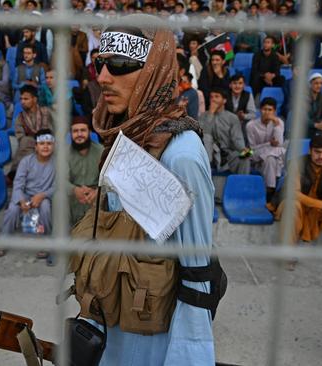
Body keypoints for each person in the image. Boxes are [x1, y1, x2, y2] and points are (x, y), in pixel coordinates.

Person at [90, 17, 215, 365]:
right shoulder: (127, 135)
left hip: (153, 344)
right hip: (114, 324)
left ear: (153, 71)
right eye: (100, 63)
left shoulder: (181, 155)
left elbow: (197, 276)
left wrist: (190, 357)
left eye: (119, 65)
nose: (103, 78)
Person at [272, 134, 322, 272]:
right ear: (310, 151)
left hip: (314, 209)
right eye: (317, 152)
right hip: (293, 204)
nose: (321, 156)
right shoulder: (297, 164)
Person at [1, 128, 55, 259]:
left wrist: (42, 195)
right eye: (42, 144)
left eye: (49, 143)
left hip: (45, 196)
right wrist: (21, 201)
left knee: (46, 208)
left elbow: (58, 186)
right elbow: (18, 183)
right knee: (13, 209)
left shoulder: (57, 163)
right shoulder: (26, 161)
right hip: (25, 195)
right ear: (36, 147)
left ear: (53, 146)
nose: (45, 147)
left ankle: (45, 243)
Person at [199, 87, 250, 175]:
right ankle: (208, 170)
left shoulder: (232, 118)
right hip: (208, 156)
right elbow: (203, 135)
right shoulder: (203, 116)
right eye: (211, 97)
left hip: (227, 155)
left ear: (224, 100)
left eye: (216, 96)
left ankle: (242, 186)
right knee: (207, 137)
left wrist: (244, 150)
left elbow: (237, 139)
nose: (213, 99)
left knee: (245, 157)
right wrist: (210, 114)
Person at [10, 85, 53, 177]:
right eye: (21, 99)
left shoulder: (47, 112)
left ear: (35, 99)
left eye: (26, 99)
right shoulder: (20, 118)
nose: (22, 102)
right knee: (25, 142)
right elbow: (20, 137)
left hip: (49, 144)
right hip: (30, 148)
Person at [246, 97, 286, 196]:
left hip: (272, 157)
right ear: (260, 110)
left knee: (271, 158)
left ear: (275, 111)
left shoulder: (279, 122)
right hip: (255, 155)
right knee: (276, 152)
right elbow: (252, 149)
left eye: (270, 110)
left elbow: (279, 143)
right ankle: (273, 187)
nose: (267, 112)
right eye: (264, 109)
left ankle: (269, 189)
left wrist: (276, 126)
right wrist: (268, 144)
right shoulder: (251, 125)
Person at [67, 117, 103, 226]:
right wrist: (74, 190)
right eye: (75, 131)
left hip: (95, 194)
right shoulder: (64, 153)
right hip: (73, 195)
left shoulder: (101, 151)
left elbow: (107, 178)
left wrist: (97, 192)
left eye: (83, 130)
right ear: (71, 134)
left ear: (90, 132)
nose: (79, 134)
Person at [225, 73, 256, 138]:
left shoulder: (248, 95)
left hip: (241, 123)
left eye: (240, 83)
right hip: (227, 122)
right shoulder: (225, 95)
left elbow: (253, 115)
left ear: (244, 85)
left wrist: (244, 116)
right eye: (235, 83)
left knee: (249, 124)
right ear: (230, 85)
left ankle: (246, 146)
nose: (237, 86)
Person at [307, 72, 322, 138]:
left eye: (321, 83)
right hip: (306, 126)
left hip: (318, 125)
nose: (319, 86)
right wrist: (316, 125)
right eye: (316, 83)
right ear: (310, 84)